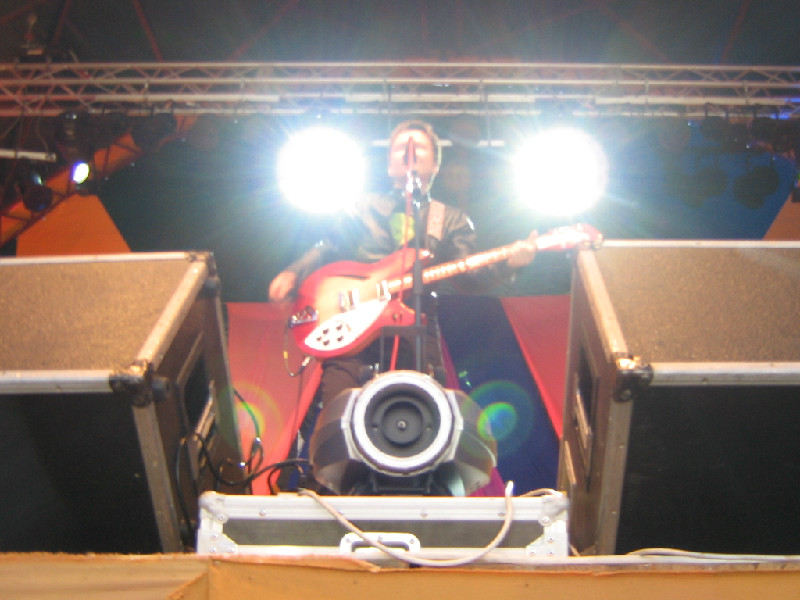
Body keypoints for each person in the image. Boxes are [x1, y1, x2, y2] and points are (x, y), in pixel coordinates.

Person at [269, 119, 537, 410]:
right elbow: (328, 245)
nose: (409, 151)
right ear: (389, 166)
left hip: (415, 326)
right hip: (352, 323)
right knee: (340, 412)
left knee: (418, 414)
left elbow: (467, 278)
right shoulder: (362, 206)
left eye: (419, 147)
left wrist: (511, 263)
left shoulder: (449, 219)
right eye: (400, 148)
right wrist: (294, 271)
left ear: (435, 165)